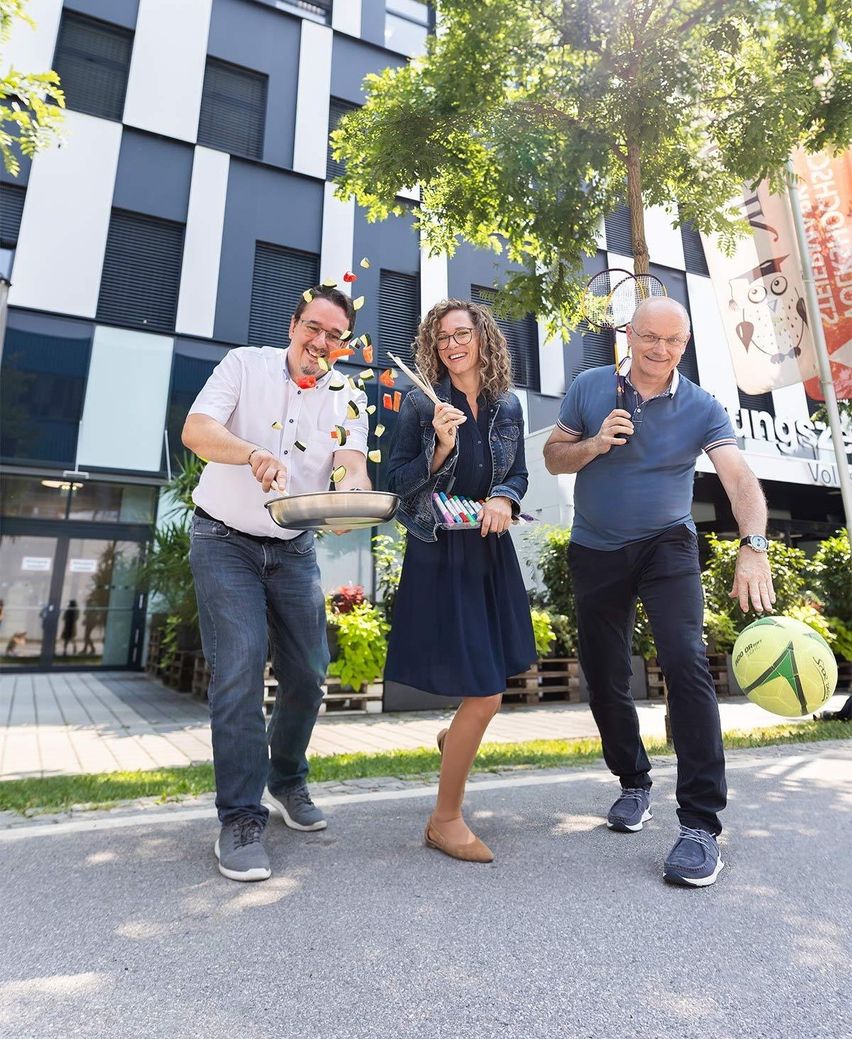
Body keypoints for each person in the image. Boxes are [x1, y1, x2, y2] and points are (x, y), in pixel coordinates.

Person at [544, 297, 775, 888]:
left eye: (673, 341)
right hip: (595, 547)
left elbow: (738, 476)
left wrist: (754, 544)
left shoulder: (702, 407)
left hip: (667, 544)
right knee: (605, 674)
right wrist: (594, 444)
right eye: (649, 337)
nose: (660, 350)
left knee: (685, 660)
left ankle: (700, 824)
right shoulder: (590, 387)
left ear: (686, 342)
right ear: (629, 334)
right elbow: (552, 457)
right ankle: (633, 782)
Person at [182, 284, 370, 883]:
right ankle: (240, 816)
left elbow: (351, 467)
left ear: (343, 346)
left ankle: (285, 777)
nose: (321, 342)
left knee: (310, 671)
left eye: (334, 336)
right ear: (294, 325)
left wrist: (349, 498)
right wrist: (251, 452)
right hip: (224, 540)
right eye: (313, 328)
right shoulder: (244, 365)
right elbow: (197, 430)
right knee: (238, 668)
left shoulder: (349, 398)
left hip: (293, 548)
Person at [385, 299, 536, 863]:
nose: (452, 344)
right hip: (441, 554)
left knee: (490, 680)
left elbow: (517, 471)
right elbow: (398, 482)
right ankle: (443, 820)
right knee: (486, 691)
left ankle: (456, 742)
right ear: (433, 345)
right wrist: (440, 447)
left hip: (489, 550)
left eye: (462, 334)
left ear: (482, 338)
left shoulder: (508, 405)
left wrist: (504, 496)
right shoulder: (420, 405)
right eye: (442, 337)